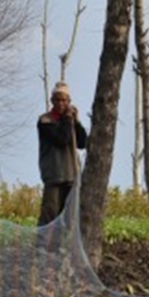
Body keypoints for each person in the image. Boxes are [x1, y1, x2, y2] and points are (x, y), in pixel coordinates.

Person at [37, 82, 88, 227]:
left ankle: (63, 247)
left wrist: (76, 122)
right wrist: (67, 119)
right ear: (52, 101)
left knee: (70, 216)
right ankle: (43, 246)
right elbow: (62, 139)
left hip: (71, 174)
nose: (61, 104)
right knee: (50, 213)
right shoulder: (45, 121)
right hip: (54, 175)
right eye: (58, 100)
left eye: (64, 100)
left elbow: (82, 143)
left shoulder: (69, 121)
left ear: (69, 102)